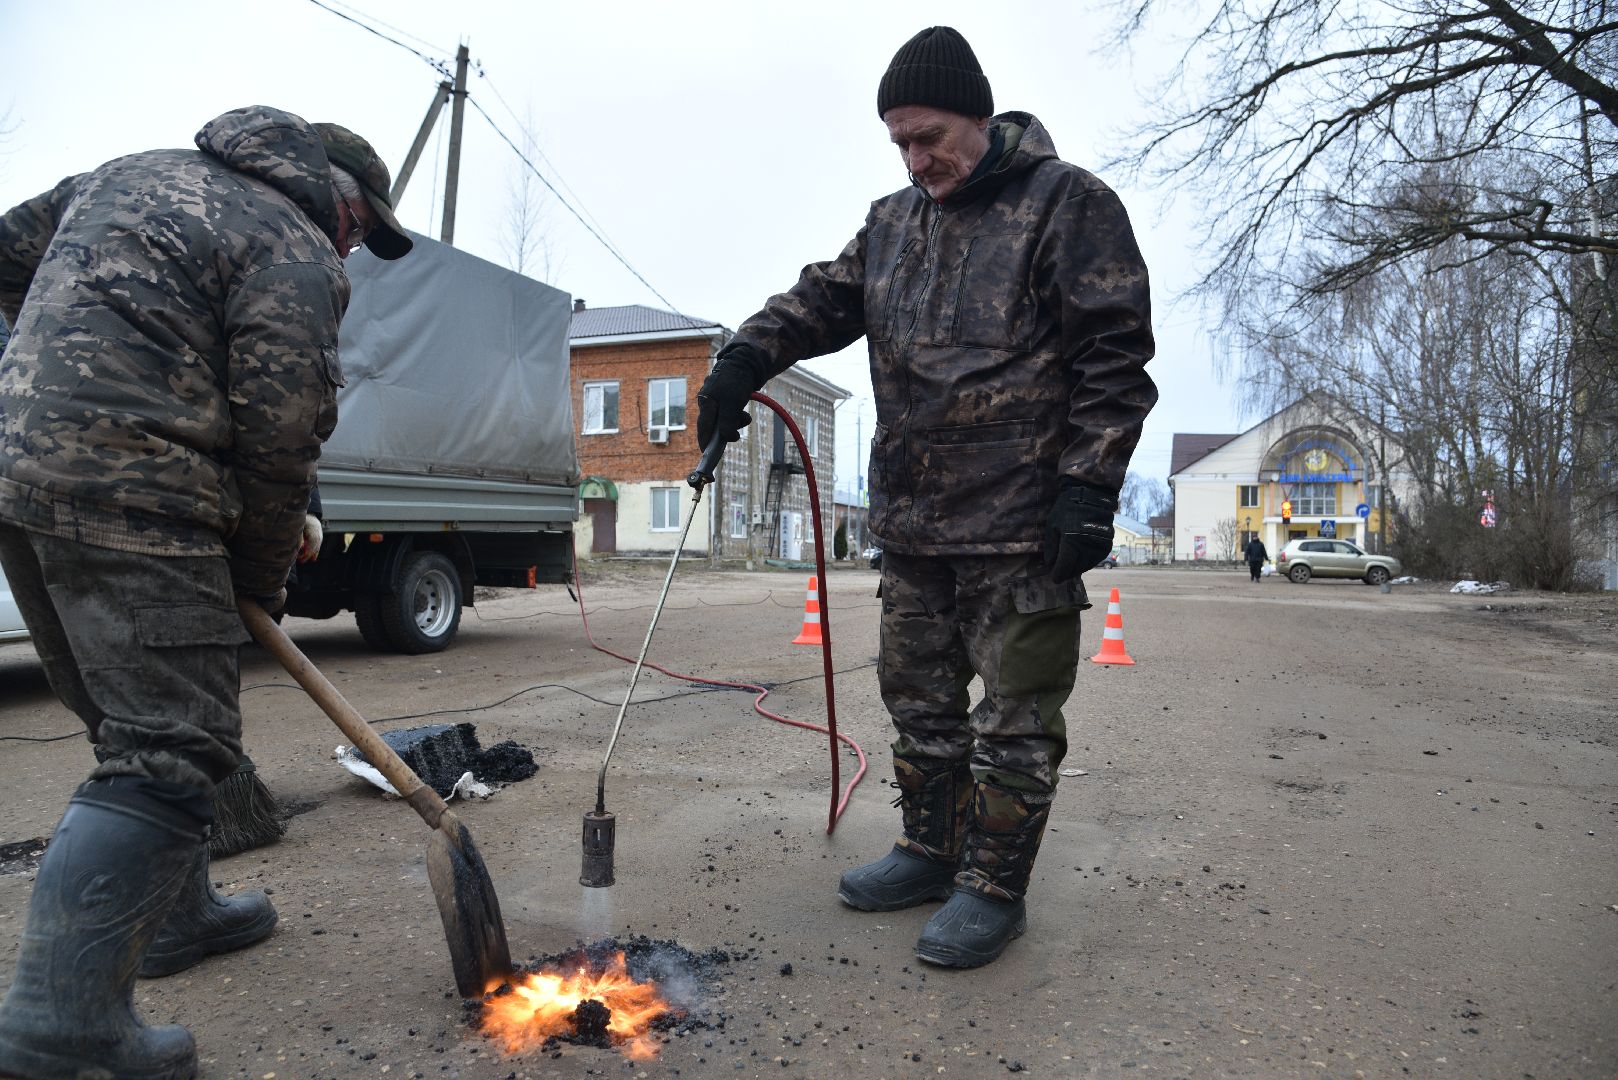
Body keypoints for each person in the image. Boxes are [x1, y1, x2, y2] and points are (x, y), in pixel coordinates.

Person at [697, 27, 1156, 968]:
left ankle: (993, 887)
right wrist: (743, 356)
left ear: (979, 117)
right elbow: (821, 299)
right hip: (913, 524)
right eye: (900, 142)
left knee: (1016, 719)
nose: (918, 159)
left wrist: (1088, 486)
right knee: (919, 702)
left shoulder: (1067, 204)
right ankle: (927, 848)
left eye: (931, 135)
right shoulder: (893, 223)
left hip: (1021, 526)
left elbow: (1114, 356)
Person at [0, 106, 411, 1078]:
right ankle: (58, 1026)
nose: (355, 244)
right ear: (334, 194)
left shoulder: (123, 172)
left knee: (125, 725)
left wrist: (39, 376)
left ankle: (179, 917)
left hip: (19, 475)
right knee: (170, 746)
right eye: (361, 226)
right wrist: (261, 572)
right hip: (138, 484)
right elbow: (279, 443)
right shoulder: (296, 247)